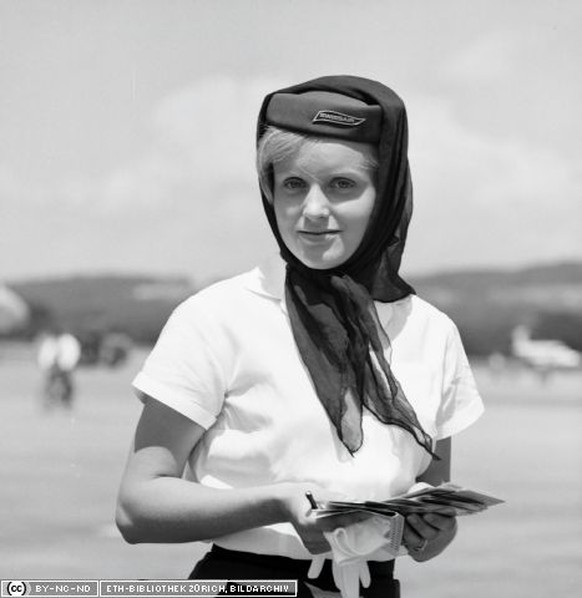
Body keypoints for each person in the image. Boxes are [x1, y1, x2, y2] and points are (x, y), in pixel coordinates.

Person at [116, 76, 484, 597]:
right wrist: (277, 503)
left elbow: (433, 503)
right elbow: (137, 506)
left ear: (385, 196)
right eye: (293, 184)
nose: (312, 210)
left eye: (341, 185)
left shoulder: (432, 332)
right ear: (269, 190)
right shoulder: (217, 317)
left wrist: (429, 531)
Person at [37, 323, 81, 409]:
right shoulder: (49, 341)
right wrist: (47, 365)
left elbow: (73, 353)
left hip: (66, 367)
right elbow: (44, 355)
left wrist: (67, 365)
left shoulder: (68, 341)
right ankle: (48, 401)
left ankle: (67, 401)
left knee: (68, 384)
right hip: (52, 367)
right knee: (48, 384)